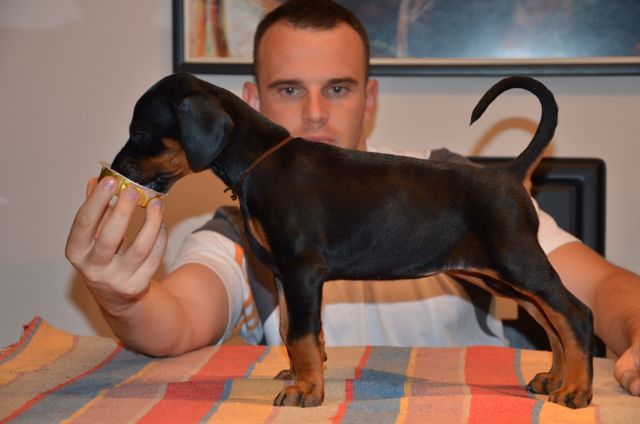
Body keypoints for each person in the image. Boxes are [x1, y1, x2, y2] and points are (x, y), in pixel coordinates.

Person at [66, 0, 640, 395]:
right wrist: (121, 296)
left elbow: (598, 287)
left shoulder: (458, 180)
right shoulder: (234, 222)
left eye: (337, 88)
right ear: (252, 100)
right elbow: (177, 322)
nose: (316, 113)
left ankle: (572, 367)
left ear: (370, 98)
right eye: (289, 89)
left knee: (537, 288)